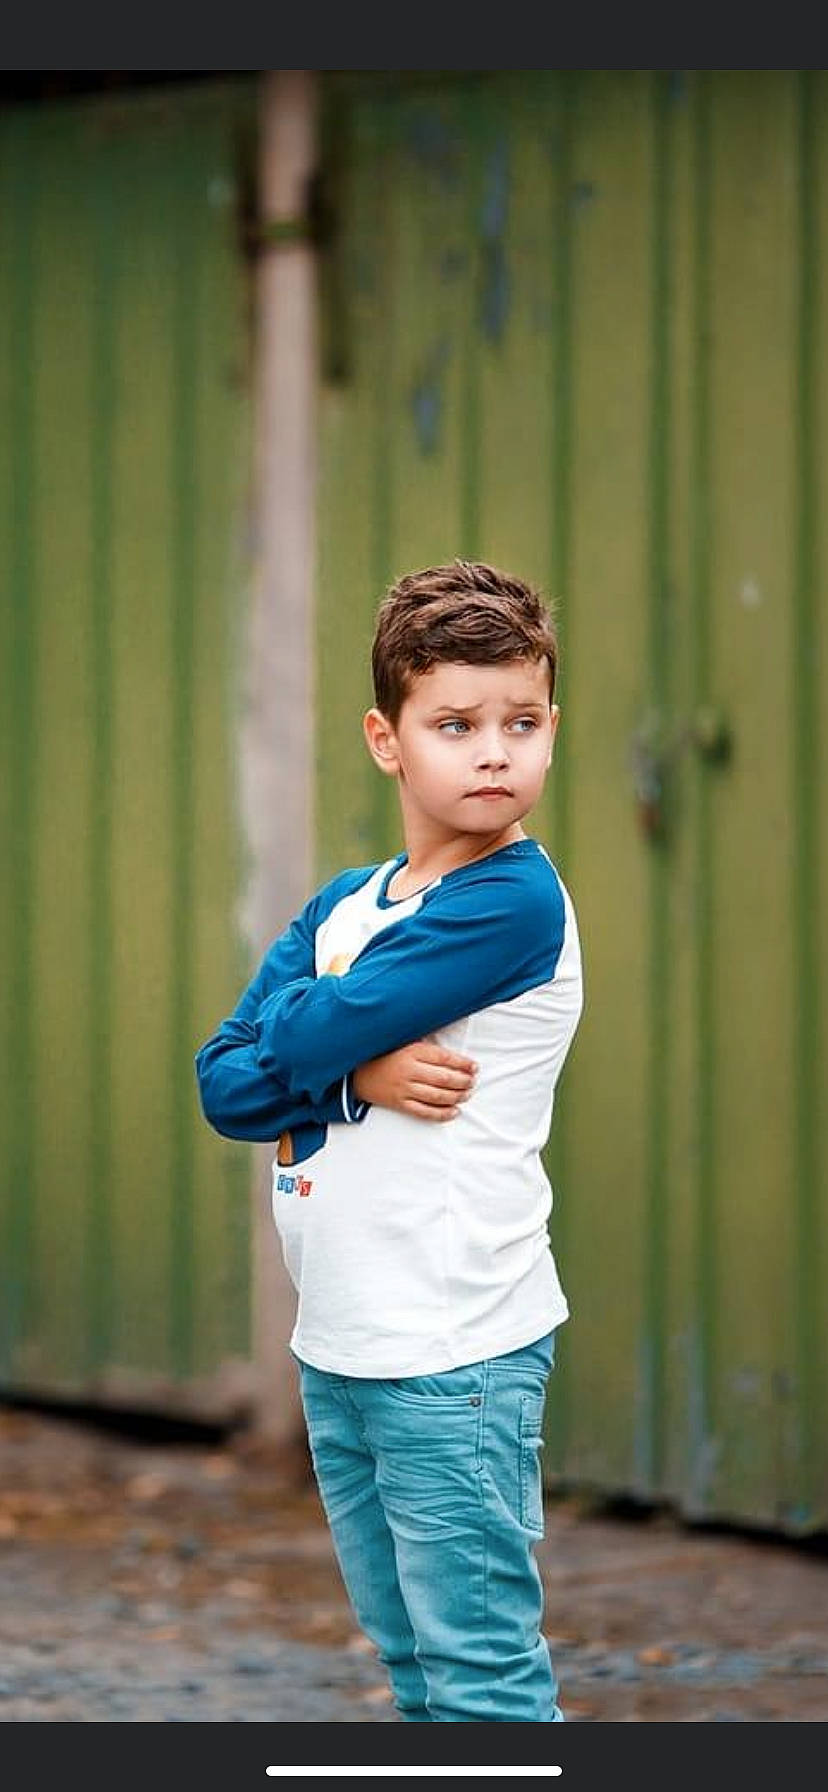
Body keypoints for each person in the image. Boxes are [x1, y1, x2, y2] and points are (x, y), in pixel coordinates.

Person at [195, 560, 584, 1722]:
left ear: (552, 728)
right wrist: (359, 1072)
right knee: (413, 1672)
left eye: (521, 722)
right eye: (455, 724)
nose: (494, 752)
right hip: (344, 1345)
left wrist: (323, 1043)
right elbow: (225, 1083)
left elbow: (300, 1022)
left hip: (454, 1349)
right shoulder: (347, 904)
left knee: (481, 1678)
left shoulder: (512, 901)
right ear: (387, 738)